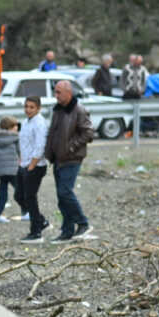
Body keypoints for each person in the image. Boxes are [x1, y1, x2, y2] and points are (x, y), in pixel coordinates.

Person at [44, 80, 94, 242]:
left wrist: (71, 147)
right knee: (61, 196)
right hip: (58, 158)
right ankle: (67, 230)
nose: (56, 95)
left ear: (68, 93)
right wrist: (49, 152)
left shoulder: (78, 110)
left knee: (65, 192)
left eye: (59, 92)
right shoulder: (58, 110)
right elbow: (53, 132)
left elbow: (88, 133)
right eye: (55, 92)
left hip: (71, 158)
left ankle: (83, 223)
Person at [18, 96, 51, 243]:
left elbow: (40, 146)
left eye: (31, 107)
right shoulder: (25, 122)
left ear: (38, 108)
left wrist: (32, 165)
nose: (28, 110)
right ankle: (41, 221)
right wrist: (21, 161)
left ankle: (36, 232)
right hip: (24, 164)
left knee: (30, 198)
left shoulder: (40, 123)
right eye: (26, 106)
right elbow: (24, 143)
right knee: (19, 196)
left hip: (36, 166)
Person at [0, 116, 21, 222]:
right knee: (20, 191)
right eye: (15, 126)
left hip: (1, 171)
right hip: (13, 170)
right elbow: (20, 152)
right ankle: (26, 211)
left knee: (3, 193)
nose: (17, 128)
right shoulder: (16, 139)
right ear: (11, 127)